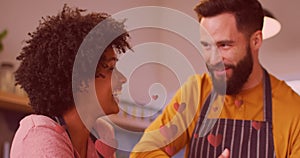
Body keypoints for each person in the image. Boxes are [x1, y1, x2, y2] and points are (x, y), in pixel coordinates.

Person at [130, 0, 300, 157]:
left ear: (255, 41)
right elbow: (143, 152)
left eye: (224, 45)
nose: (213, 59)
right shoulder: (195, 92)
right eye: (206, 46)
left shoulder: (293, 110)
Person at [10, 4, 131, 158]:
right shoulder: (39, 136)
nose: (123, 79)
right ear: (80, 78)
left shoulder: (102, 135)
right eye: (111, 68)